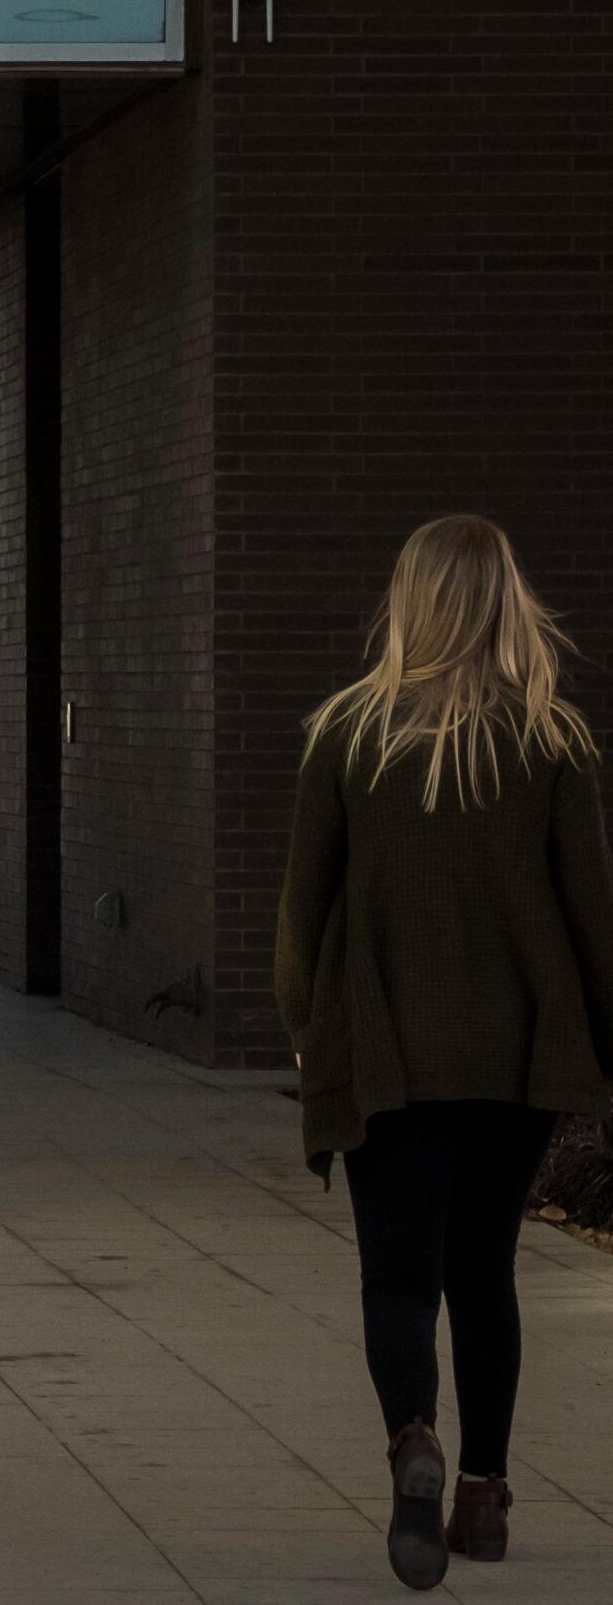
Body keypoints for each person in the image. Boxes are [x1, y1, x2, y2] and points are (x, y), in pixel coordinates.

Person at [275, 514, 613, 1591]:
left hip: (387, 1054)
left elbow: (300, 914)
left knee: (398, 1274)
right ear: (508, 602)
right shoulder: (553, 741)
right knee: (485, 1271)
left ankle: (410, 1437)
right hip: (517, 1058)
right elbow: (594, 916)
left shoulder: (347, 734)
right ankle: (482, 1492)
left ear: (409, 600)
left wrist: (305, 1030)